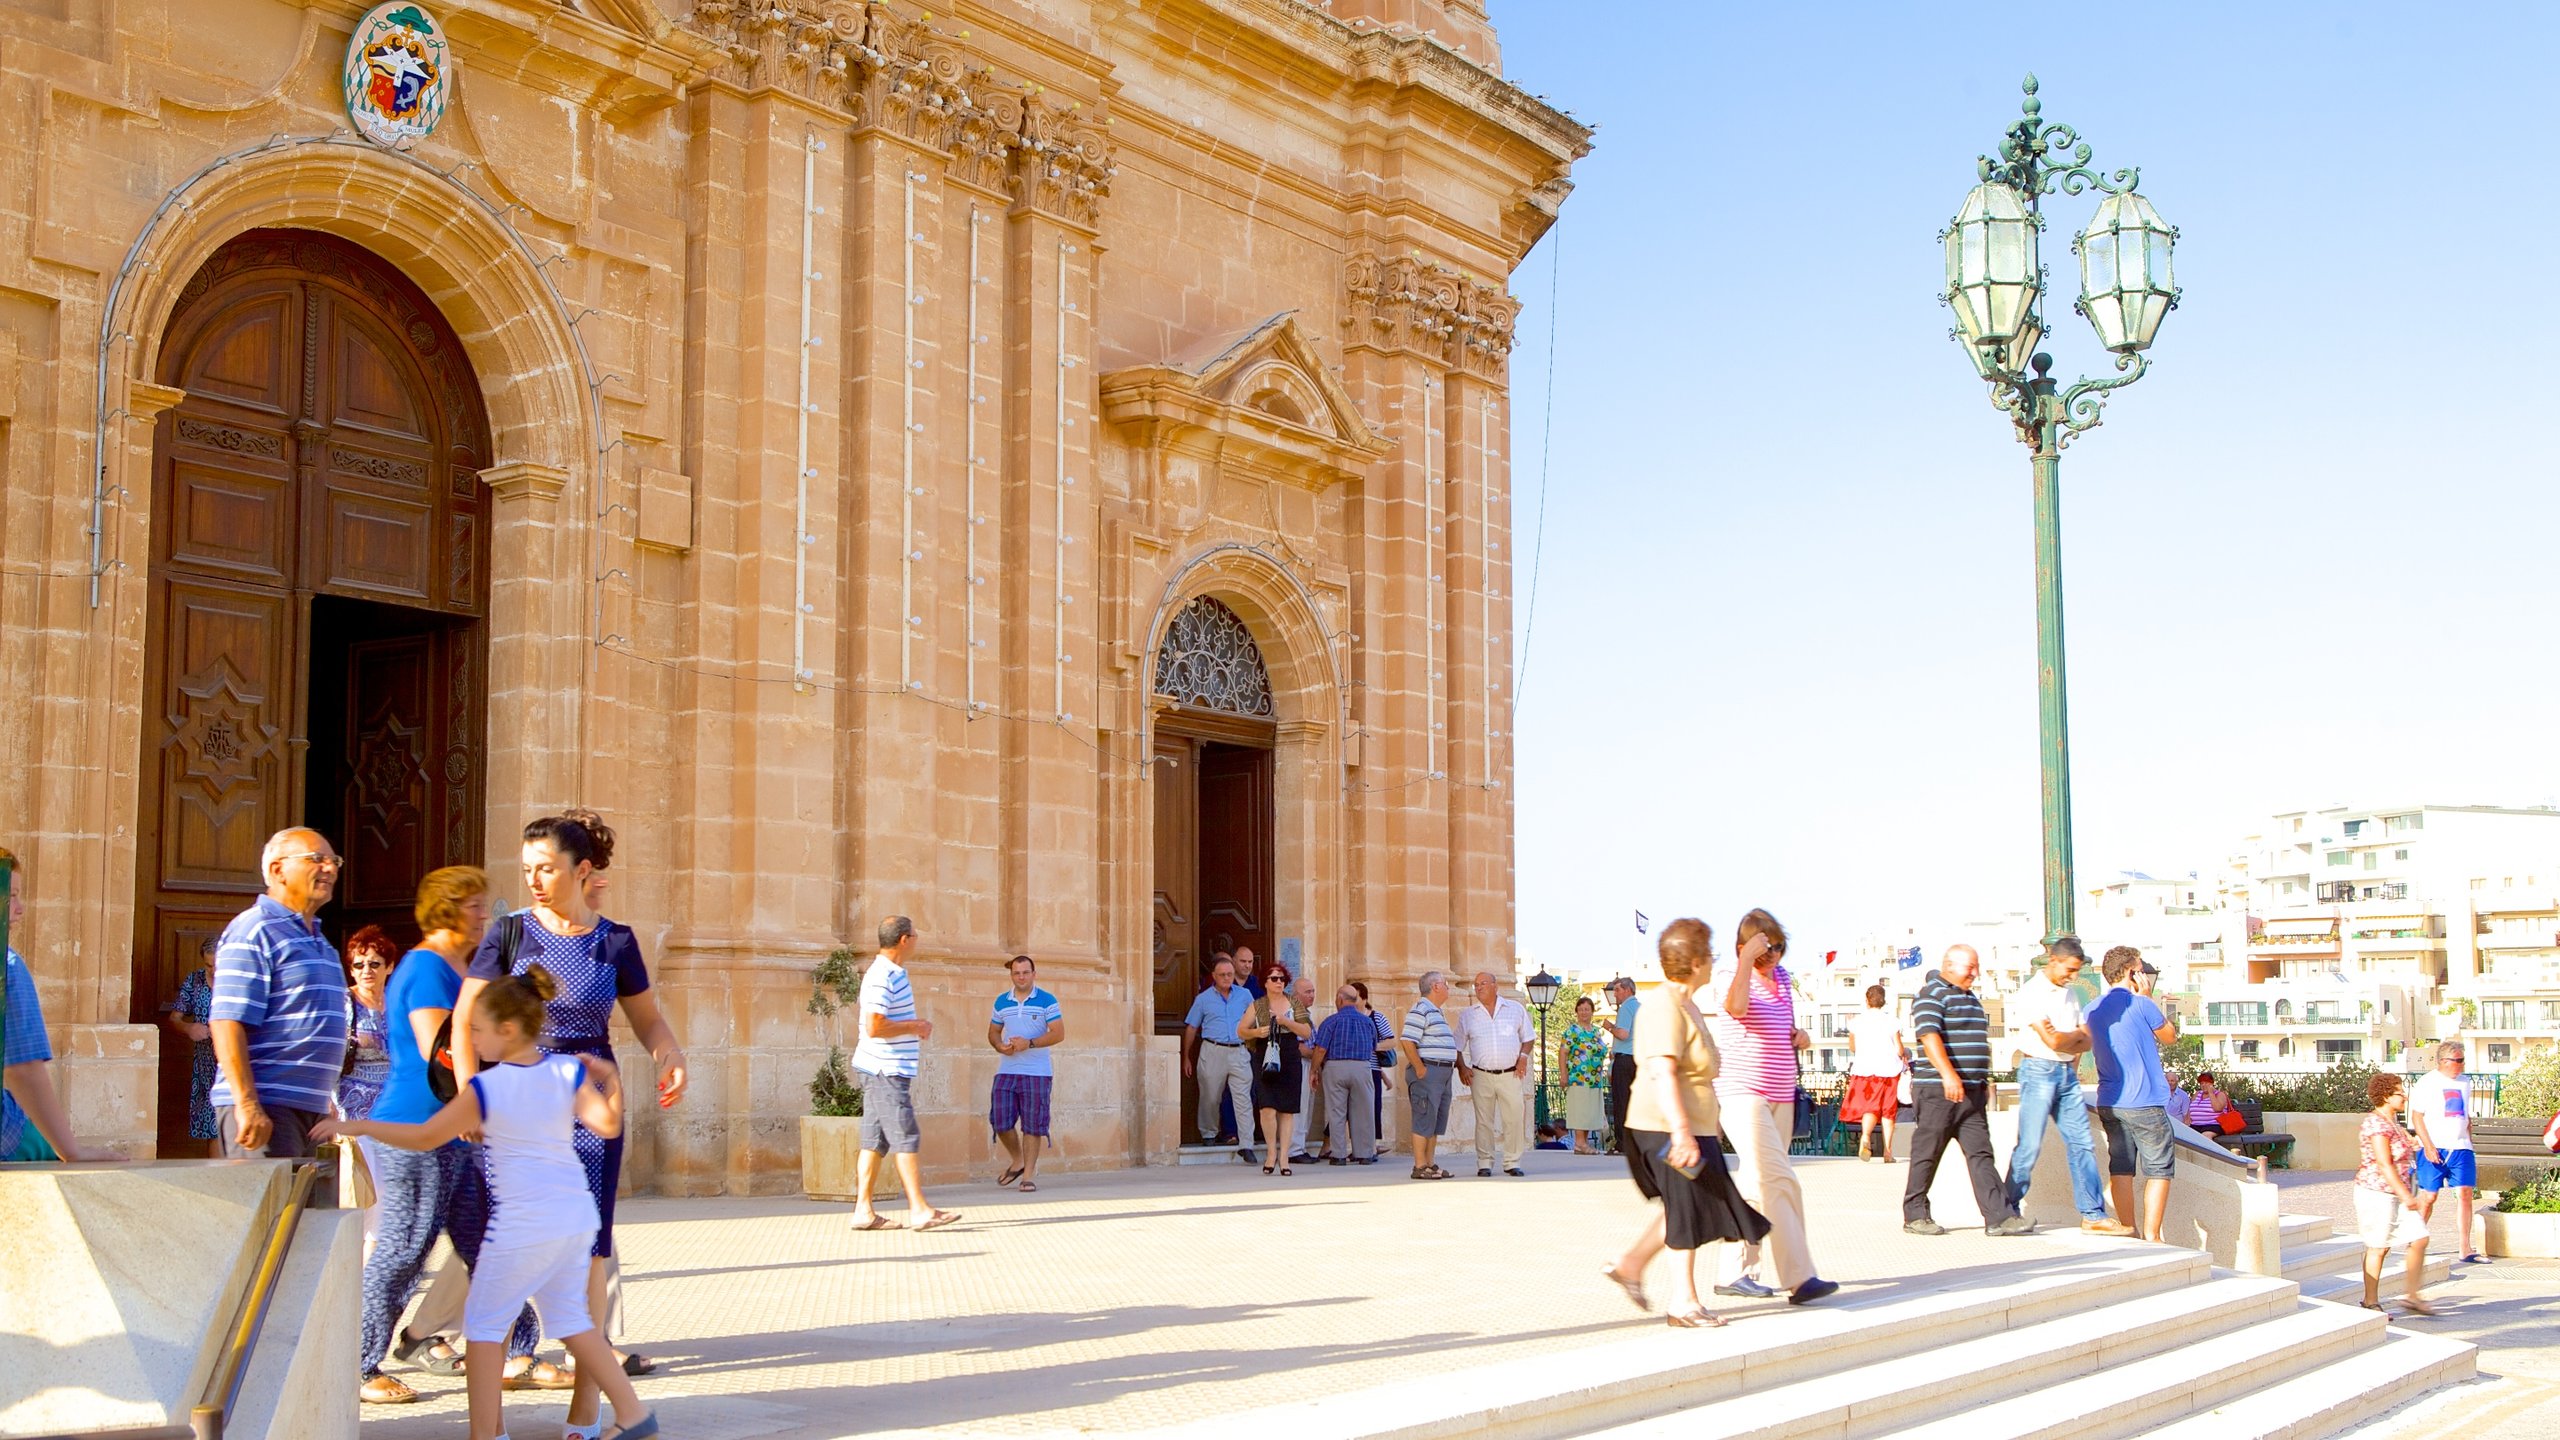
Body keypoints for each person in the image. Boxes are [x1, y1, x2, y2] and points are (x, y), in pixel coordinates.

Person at [319, 965, 661, 1440]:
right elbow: (607, 1125)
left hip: (522, 1225)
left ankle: (485, 1436)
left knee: (482, 1328)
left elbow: (424, 1136)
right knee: (574, 1323)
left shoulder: (487, 1088)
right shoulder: (565, 1071)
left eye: (477, 1030)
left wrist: (359, 1126)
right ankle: (632, 1412)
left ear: (507, 1030)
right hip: (574, 1218)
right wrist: (611, 1080)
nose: (471, 1041)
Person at [456, 815, 692, 1381]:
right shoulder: (509, 934)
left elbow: (648, 1020)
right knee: (510, 1226)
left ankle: (589, 1347)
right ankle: (505, 1348)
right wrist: (471, 1094)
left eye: (548, 869)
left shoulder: (615, 941)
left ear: (583, 871)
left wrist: (671, 1055)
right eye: (529, 869)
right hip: (516, 1099)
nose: (536, 879)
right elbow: (466, 1019)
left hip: (590, 1100)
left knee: (589, 1233)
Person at [356, 867, 493, 1405]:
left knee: (488, 1244)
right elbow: (442, 1052)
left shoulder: (464, 966)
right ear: (446, 909)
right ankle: (360, 1364)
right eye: (474, 905)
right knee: (403, 1249)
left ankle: (519, 1349)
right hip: (419, 1126)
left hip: (457, 1132)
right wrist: (478, 1106)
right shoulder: (426, 966)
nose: (484, 914)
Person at [1601, 917, 1773, 1330]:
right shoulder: (1662, 1007)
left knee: (1691, 1202)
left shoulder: (1688, 1004)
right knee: (1687, 1206)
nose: (1713, 961)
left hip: (1690, 1127)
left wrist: (1705, 1129)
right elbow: (1661, 1071)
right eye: (1710, 954)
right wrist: (1681, 1132)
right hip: (1662, 1126)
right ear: (1695, 962)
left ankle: (1630, 1264)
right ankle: (1683, 1303)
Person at [1705, 911, 1835, 1304]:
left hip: (1780, 1093)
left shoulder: (1782, 978)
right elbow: (1738, 1009)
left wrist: (1799, 1036)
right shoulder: (1730, 973)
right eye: (1765, 949)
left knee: (1757, 1185)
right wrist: (1747, 962)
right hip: (1742, 1092)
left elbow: (1780, 1025)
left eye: (1778, 947)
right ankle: (1801, 1277)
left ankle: (1735, 1270)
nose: (1773, 955)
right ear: (1744, 947)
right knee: (1781, 1179)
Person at [210, 828, 349, 1158]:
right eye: (317, 860)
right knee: (277, 1211)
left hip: (310, 1110)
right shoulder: (255, 929)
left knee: (313, 1210)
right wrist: (247, 1103)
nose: (330, 869)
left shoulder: (320, 940)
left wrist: (323, 1100)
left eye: (334, 861)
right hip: (268, 1107)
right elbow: (227, 1022)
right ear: (278, 871)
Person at [1903, 944, 2035, 1238]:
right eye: (1970, 967)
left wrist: (1981, 1079)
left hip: (1971, 1092)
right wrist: (1949, 1075)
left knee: (1981, 1154)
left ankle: (1999, 1217)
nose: (1975, 973)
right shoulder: (1931, 994)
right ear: (1949, 965)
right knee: (1927, 1152)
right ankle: (1915, 1214)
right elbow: (1928, 1035)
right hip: (1938, 1090)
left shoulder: (1969, 997)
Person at [2003, 939, 2129, 1235]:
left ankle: (2093, 1214)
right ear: (2054, 960)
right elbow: (2055, 1041)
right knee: (2030, 1145)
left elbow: (2086, 1040)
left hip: (2066, 1074)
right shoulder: (2031, 993)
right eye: (2070, 969)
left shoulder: (2070, 994)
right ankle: (2008, 1208)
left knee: (2081, 1143)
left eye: (2077, 970)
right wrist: (2071, 1038)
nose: (2072, 976)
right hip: (2038, 1070)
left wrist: (2070, 1039)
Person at [845, 916, 959, 1231]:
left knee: (875, 1141)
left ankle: (863, 1211)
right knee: (904, 1137)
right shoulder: (884, 975)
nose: (918, 939)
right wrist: (915, 1026)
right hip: (886, 1070)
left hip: (878, 1068)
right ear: (904, 940)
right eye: (915, 934)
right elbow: (875, 1025)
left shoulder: (890, 973)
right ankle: (920, 1209)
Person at [0, 848, 96, 1162]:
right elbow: (23, 1069)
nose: (20, 908)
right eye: (11, 895)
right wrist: (71, 1151)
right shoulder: (7, 966)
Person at [2086, 948, 2178, 1242]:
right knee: (2158, 1168)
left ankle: (2129, 1229)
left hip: (2110, 1100)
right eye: (2140, 968)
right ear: (2130, 972)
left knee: (2121, 1166)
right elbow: (2170, 1036)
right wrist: (2148, 997)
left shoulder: (2091, 1009)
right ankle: (2152, 1236)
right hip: (2145, 1101)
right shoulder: (2141, 1004)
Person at [2355, 1072, 2435, 1317]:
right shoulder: (2376, 1123)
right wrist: (2407, 1196)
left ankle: (2412, 1296)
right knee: (2379, 1247)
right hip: (2376, 1193)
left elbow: (2402, 1152)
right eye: (2400, 1092)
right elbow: (2383, 1163)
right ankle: (2370, 1301)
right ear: (2386, 1096)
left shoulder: (2393, 1123)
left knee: (2420, 1237)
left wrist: (2412, 1144)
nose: (2405, 1096)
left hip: (2398, 1193)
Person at [988, 954, 1063, 1192]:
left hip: (1037, 1072)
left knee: (1033, 1126)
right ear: (1011, 975)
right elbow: (993, 1032)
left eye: (1025, 972)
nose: (1021, 977)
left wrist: (1028, 1043)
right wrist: (999, 1045)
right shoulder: (1002, 1001)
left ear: (1034, 974)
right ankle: (1018, 1160)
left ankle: (1028, 1175)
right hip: (1007, 1070)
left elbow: (1058, 1033)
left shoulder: (1047, 1000)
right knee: (1000, 1121)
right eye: (1016, 973)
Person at [2410, 1041, 2483, 1265]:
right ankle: (2415, 1242)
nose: (2461, 1065)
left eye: (2463, 1060)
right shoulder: (2427, 1082)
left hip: (2460, 1147)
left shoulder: (2465, 1082)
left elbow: (2465, 1115)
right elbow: (2417, 1117)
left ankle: (2465, 1247)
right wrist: (2428, 1146)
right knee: (2429, 1197)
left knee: (2465, 1194)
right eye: (2457, 1061)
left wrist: (2469, 1140)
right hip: (2434, 1147)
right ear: (2443, 1061)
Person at [1456, 971, 1533, 1177]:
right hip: (1480, 1074)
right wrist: (1462, 1067)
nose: (1478, 987)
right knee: (1483, 1120)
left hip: (1511, 1074)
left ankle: (1512, 1161)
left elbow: (1529, 1037)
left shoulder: (1515, 1009)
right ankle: (1484, 1162)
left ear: (1495, 986)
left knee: (1514, 1117)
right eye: (1476, 985)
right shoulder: (1468, 1014)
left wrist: (1523, 1056)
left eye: (1483, 983)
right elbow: (1457, 1045)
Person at [1181, 957, 1256, 1161]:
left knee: (1243, 1098)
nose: (1226, 978)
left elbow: (1257, 1020)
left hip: (1239, 1050)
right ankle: (1209, 1133)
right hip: (1213, 1050)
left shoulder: (1245, 995)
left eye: (1230, 974)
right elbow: (1192, 1027)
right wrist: (1186, 1057)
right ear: (1213, 976)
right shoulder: (1203, 999)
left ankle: (1247, 1143)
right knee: (1211, 1096)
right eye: (1222, 975)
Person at [1237, 965, 1309, 1175]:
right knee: (1267, 1108)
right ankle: (1271, 1153)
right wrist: (1257, 1032)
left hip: (1289, 1053)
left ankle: (1284, 1157)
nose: (1279, 982)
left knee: (1287, 1110)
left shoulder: (1294, 1003)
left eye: (1282, 979)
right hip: (1265, 1053)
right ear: (1266, 982)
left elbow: (1306, 1030)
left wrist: (1286, 1021)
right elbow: (1241, 1030)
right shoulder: (1258, 1005)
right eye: (1274, 978)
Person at [162, 936, 222, 1156]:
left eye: (218, 964)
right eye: (209, 965)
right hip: (207, 1066)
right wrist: (189, 1029)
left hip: (238, 1061)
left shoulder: (240, 981)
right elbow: (174, 1019)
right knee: (214, 1126)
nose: (214, 970)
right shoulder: (195, 981)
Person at [1307, 984, 1380, 1165]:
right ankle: (1364, 1153)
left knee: (1336, 1111)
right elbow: (1373, 1046)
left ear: (1340, 999)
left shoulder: (1331, 1021)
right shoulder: (1368, 1022)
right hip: (1362, 1067)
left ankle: (1338, 1154)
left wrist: (1314, 1070)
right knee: (1364, 1111)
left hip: (1335, 1067)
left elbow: (1321, 1049)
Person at [1398, 971, 1458, 1180]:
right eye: (1446, 983)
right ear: (1436, 986)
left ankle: (1430, 1164)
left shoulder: (1436, 1011)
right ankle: (1420, 1165)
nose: (1449, 987)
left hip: (1442, 1072)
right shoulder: (1421, 1009)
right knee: (1424, 1117)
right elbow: (1407, 1040)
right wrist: (1420, 1068)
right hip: (1429, 1071)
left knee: (1435, 1120)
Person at [340, 925, 399, 1127]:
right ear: (351, 970)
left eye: (374, 964)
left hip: (396, 1109)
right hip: (353, 1109)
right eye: (358, 965)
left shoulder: (399, 1004)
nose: (366, 971)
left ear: (389, 967)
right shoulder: (343, 1002)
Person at [1840, 984, 1905, 1164]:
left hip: (1864, 1069)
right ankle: (1888, 1152)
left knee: (1870, 1107)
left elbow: (1853, 1047)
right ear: (1883, 1001)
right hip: (1889, 1070)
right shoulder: (1892, 1021)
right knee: (1888, 1110)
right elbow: (1899, 1049)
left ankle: (1866, 1137)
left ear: (1867, 1000)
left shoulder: (1856, 1022)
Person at [1353, 980, 1394, 1163]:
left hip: (1372, 1069)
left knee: (1373, 1108)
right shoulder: (1348, 1016)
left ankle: (1371, 1146)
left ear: (1364, 998)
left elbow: (1391, 1041)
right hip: (1353, 1068)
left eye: (1355, 998)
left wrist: (1371, 1046)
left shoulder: (1376, 1017)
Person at [1561, 996, 1609, 1154]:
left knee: (1589, 1110)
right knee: (1580, 1109)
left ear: (1592, 1011)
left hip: (1594, 1078)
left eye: (1587, 1009)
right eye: (1580, 1009)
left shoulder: (1595, 1031)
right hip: (1578, 1078)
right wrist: (1563, 1075)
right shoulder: (1572, 1031)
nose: (1584, 1012)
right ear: (1576, 1012)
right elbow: (1563, 1053)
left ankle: (1584, 1143)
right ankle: (1579, 1143)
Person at [1288, 974, 1323, 1164]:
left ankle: (1300, 1147)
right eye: (1307, 992)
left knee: (1307, 1108)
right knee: (1299, 1108)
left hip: (1309, 1064)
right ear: (1296, 995)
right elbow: (1299, 1046)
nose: (1312, 995)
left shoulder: (1305, 1014)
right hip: (1299, 1064)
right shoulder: (1294, 1014)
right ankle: (1294, 1150)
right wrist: (1317, 1056)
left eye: (1313, 991)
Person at [1605, 977, 1640, 1153]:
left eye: (1617, 990)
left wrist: (1610, 1027)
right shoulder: (1639, 1007)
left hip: (1625, 1060)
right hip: (1637, 1059)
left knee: (1621, 1101)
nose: (1615, 994)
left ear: (1627, 990)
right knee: (1634, 1103)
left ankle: (1622, 1144)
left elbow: (1623, 1034)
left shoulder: (1626, 1007)